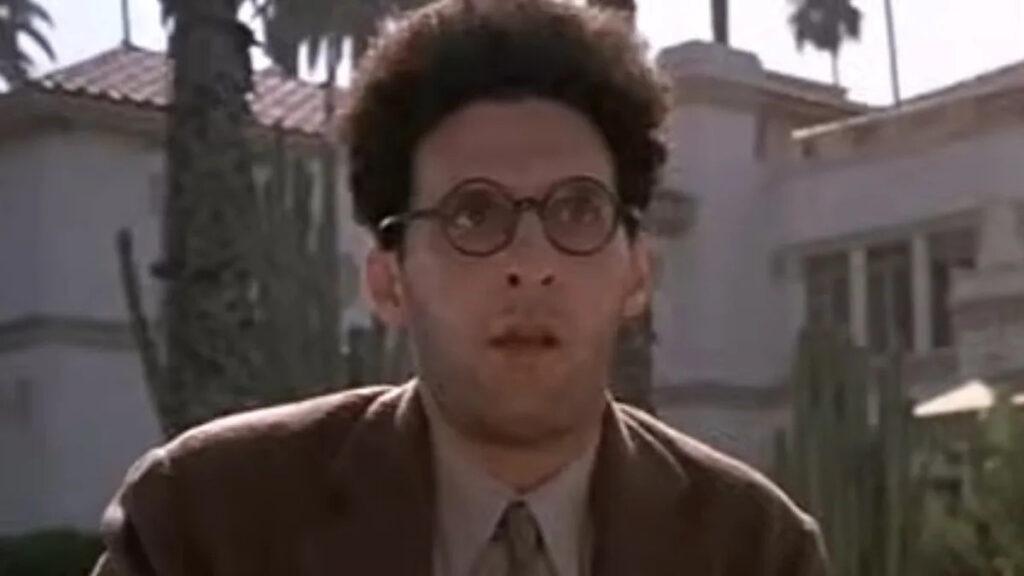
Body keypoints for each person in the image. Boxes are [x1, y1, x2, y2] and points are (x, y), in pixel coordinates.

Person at [91, 1, 827, 575]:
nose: (530, 263)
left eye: (576, 211)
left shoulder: (755, 549)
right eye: (474, 215)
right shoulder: (205, 520)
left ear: (637, 271)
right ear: (389, 281)